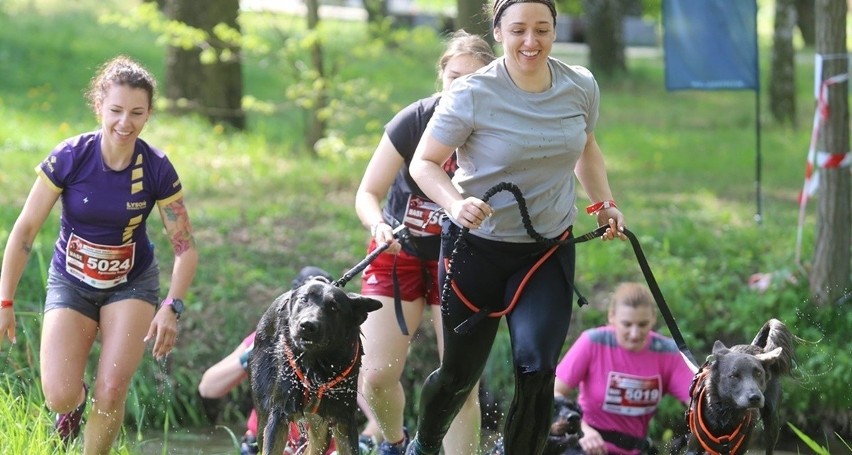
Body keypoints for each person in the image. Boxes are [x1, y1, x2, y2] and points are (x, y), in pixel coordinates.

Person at [405, 0, 628, 452]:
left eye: (542, 29)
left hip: (546, 251)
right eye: (520, 30)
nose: (532, 42)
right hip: (476, 250)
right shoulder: (470, 92)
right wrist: (454, 202)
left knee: (538, 370)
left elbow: (586, 149)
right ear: (499, 32)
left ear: (555, 30)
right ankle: (424, 447)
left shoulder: (580, 85)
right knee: (458, 377)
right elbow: (423, 163)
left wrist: (604, 203)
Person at [0, 55, 198, 454]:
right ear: (99, 107)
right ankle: (71, 408)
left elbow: (185, 248)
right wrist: (5, 300)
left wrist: (172, 305)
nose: (125, 122)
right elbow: (24, 230)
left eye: (137, 113)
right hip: (71, 283)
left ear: (148, 115)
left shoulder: (157, 168)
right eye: (116, 110)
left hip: (131, 284)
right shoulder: (70, 157)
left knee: (111, 390)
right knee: (59, 395)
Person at [354, 30, 496, 455]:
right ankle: (396, 444)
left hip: (464, 262)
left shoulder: (498, 131)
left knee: (460, 382)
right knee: (376, 375)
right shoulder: (415, 119)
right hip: (399, 255)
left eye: (474, 80)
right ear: (442, 76)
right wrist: (378, 225)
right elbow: (367, 192)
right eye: (455, 76)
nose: (462, 87)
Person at [198, 265, 377, 455]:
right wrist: (250, 357)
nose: (312, 316)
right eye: (305, 300)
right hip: (263, 444)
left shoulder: (341, 356)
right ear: (290, 306)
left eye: (328, 306)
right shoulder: (268, 339)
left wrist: (366, 441)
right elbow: (208, 387)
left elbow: (376, 418)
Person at [554, 282, 694, 455]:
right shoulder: (592, 342)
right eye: (627, 324)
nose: (635, 333)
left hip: (635, 448)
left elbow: (698, 401)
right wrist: (581, 429)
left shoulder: (667, 353)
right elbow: (554, 393)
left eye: (642, 324)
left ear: (653, 318)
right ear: (612, 317)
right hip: (587, 446)